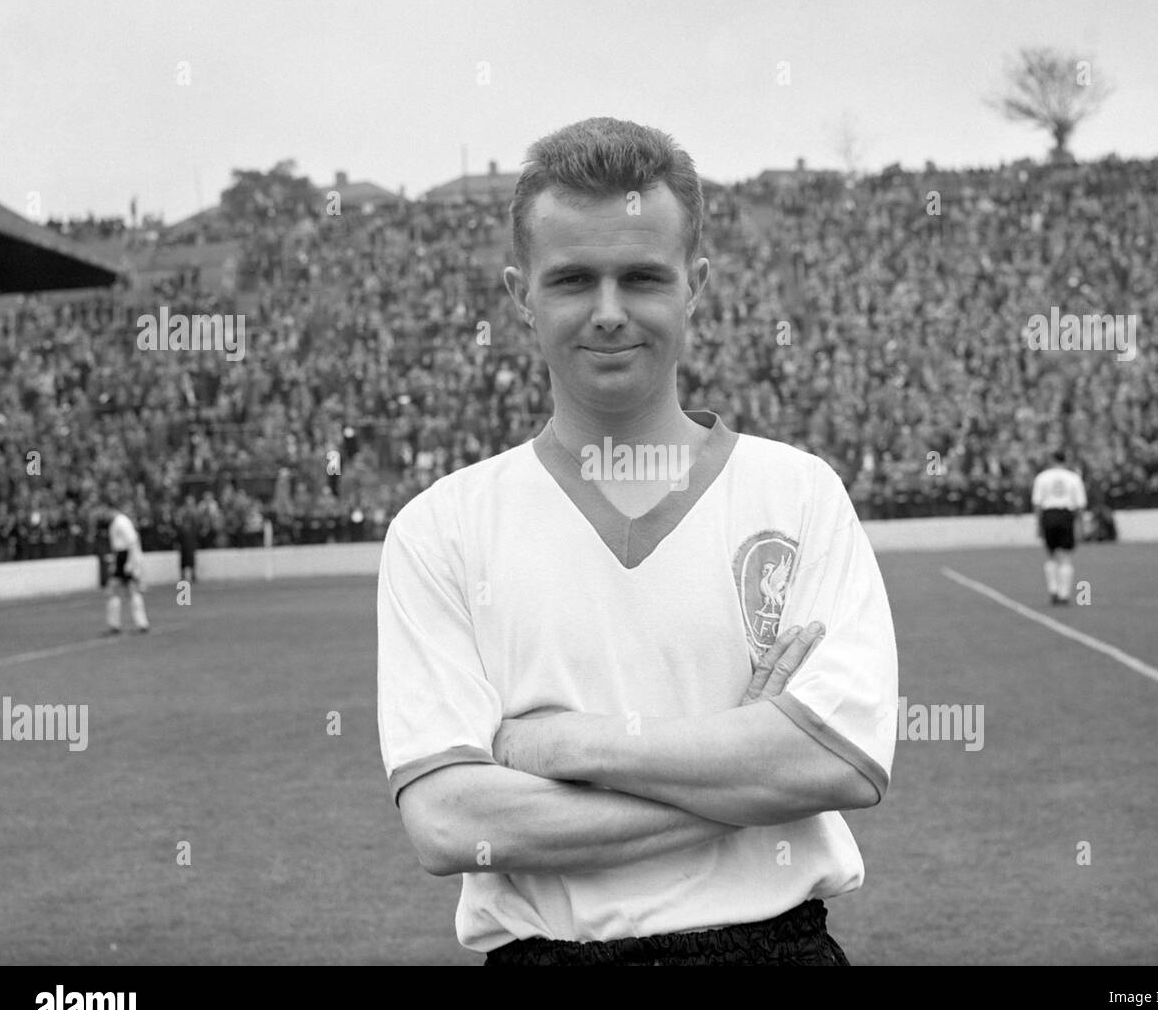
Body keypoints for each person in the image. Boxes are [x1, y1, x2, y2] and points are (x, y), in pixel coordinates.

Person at [378, 118, 898, 966]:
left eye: (643, 277)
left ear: (695, 284)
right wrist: (746, 768)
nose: (610, 312)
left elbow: (845, 763)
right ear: (521, 293)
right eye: (575, 278)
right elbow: (450, 823)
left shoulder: (799, 494)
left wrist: (562, 744)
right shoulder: (440, 528)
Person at [1031, 450, 1088, 605]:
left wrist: (1038, 524)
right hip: (1066, 516)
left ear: (1051, 459)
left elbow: (1037, 503)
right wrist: (1080, 524)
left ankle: (1053, 590)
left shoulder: (1042, 477)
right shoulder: (1073, 477)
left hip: (1048, 515)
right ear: (1065, 460)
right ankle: (1064, 594)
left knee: (1051, 555)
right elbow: (1080, 504)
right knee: (1066, 556)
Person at [105, 500, 150, 634]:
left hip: (125, 557)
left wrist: (130, 563)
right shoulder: (118, 522)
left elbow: (132, 541)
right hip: (123, 557)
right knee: (128, 590)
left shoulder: (120, 522)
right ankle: (140, 623)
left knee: (118, 590)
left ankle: (117, 624)